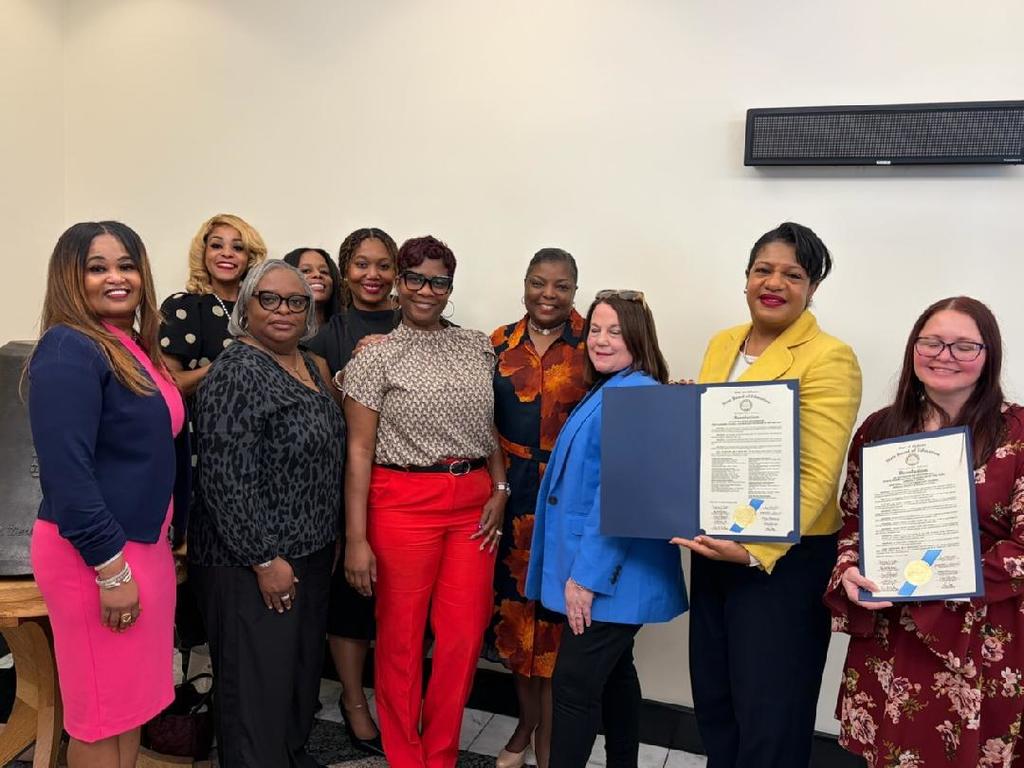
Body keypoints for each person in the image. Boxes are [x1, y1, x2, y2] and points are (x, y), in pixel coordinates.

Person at [674, 221, 862, 768]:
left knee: (771, 716)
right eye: (763, 270)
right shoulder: (722, 343)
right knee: (716, 701)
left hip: (784, 561)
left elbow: (819, 472)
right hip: (714, 549)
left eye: (792, 274)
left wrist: (758, 550)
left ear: (812, 288)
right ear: (747, 277)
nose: (773, 282)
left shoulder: (830, 357)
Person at [826, 296, 1024, 767]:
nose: (944, 355)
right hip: (892, 627)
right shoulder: (878, 430)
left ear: (988, 355)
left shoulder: (1018, 431)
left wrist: (949, 578)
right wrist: (850, 569)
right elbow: (852, 521)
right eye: (932, 342)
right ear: (914, 349)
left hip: (979, 631)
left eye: (963, 346)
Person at [342, 235, 508, 768]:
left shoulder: (477, 346)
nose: (425, 290)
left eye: (438, 281)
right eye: (414, 278)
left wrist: (500, 489)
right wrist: (356, 539)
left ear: (450, 288)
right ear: (398, 282)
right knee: (401, 640)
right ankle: (405, 756)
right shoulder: (376, 356)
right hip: (401, 503)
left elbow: (491, 428)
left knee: (462, 639)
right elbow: (359, 451)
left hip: (472, 505)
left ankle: (440, 755)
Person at [28, 221, 189, 768]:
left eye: (126, 265)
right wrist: (111, 570)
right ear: (71, 278)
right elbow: (67, 476)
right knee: (99, 717)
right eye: (98, 267)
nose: (116, 278)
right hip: (96, 556)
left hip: (139, 548)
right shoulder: (68, 348)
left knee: (126, 710)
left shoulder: (128, 345)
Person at [188, 260, 345, 768]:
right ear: (245, 306)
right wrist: (263, 560)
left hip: (309, 553)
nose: (284, 310)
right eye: (269, 299)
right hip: (251, 564)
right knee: (255, 690)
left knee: (295, 680)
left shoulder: (308, 365)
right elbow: (224, 479)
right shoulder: (235, 373)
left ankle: (291, 756)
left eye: (296, 301)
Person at [526, 290, 688, 768]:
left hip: (608, 575)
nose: (601, 340)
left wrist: (587, 579)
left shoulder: (637, 395)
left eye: (615, 331)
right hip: (613, 572)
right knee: (617, 675)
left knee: (573, 687)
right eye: (595, 329)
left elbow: (619, 499)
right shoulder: (616, 388)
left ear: (639, 336)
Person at [486, 247, 588, 768]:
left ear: (575, 289)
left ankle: (551, 739)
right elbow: (481, 425)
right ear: (524, 283)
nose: (548, 295)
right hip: (512, 495)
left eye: (561, 286)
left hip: (568, 500)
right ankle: (525, 725)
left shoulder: (594, 341)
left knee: (555, 624)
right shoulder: (498, 343)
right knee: (513, 621)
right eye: (538, 283)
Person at [304, 227, 401, 754]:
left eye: (383, 265)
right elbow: (317, 415)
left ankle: (395, 697)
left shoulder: (422, 324)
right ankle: (353, 700)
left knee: (399, 601)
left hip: (408, 490)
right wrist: (354, 371)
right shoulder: (326, 337)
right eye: (361, 264)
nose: (373, 275)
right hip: (348, 485)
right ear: (347, 270)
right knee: (352, 599)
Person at [159, 213, 268, 396]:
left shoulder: (263, 307)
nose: (227, 253)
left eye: (238, 248)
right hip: (211, 420)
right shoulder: (184, 307)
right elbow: (170, 384)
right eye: (216, 245)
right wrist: (228, 362)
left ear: (249, 258)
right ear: (203, 254)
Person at [283, 247, 342, 329]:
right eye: (306, 271)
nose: (317, 274)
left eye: (324, 271)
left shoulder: (347, 329)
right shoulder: (276, 332)